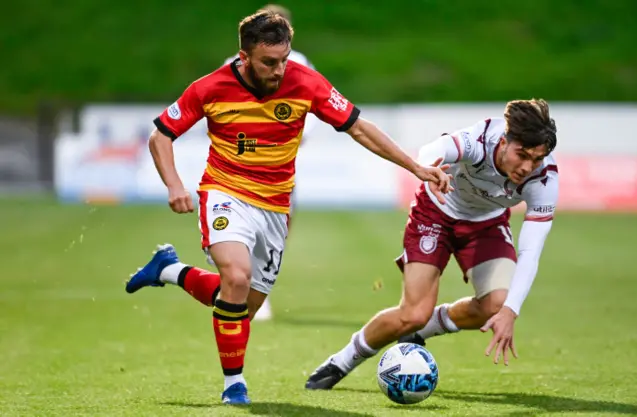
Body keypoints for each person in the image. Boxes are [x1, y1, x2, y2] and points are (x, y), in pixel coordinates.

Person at [124, 10, 452, 406]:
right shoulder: (210, 88)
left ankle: (170, 269)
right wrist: (174, 184)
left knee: (240, 305)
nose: (280, 69)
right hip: (225, 192)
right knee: (236, 274)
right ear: (243, 57)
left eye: (285, 59)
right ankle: (234, 386)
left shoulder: (304, 81)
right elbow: (161, 135)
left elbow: (359, 127)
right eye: (269, 62)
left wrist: (415, 166)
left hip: (276, 206)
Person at [305, 99, 559, 390]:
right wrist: (429, 169)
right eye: (522, 154)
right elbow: (433, 150)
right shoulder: (479, 140)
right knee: (411, 314)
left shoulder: (544, 179)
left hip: (487, 224)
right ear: (504, 141)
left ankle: (425, 328)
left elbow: (531, 250)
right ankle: (342, 361)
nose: (527, 167)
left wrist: (511, 311)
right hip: (436, 211)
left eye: (536, 159)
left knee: (496, 304)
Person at [222, 4, 316, 322]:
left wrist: (298, 135)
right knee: (243, 229)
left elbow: (316, 104)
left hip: (281, 165)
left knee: (278, 230)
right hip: (241, 165)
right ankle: (239, 282)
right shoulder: (233, 66)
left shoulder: (300, 65)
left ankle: (260, 289)